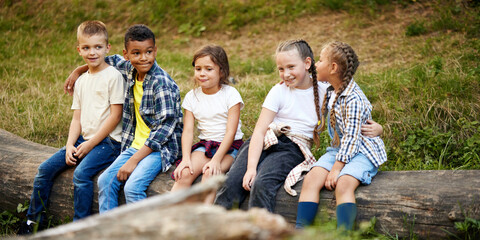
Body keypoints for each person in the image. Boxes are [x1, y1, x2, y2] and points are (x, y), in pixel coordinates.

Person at [19, 20, 124, 234]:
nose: (92, 52)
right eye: (86, 48)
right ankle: (33, 221)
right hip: (82, 140)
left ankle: (80, 229)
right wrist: (69, 145)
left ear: (107, 48)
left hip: (108, 142)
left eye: (98, 47)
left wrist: (90, 144)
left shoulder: (113, 76)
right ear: (79, 50)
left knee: (81, 175)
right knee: (44, 170)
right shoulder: (82, 81)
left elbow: (115, 117)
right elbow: (76, 118)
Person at [64, 24, 182, 213]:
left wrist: (133, 161)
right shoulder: (128, 69)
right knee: (105, 181)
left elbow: (163, 131)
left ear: (155, 51)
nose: (143, 58)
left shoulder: (162, 84)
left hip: (160, 148)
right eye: (136, 53)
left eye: (148, 52)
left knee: (132, 188)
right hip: (134, 144)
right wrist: (78, 70)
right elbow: (104, 59)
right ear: (126, 55)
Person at [295, 41, 387, 230]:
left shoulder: (353, 99)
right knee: (311, 179)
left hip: (362, 151)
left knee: (343, 184)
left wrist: (336, 168)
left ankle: (344, 234)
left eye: (320, 60)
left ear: (333, 68)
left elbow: (352, 140)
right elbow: (306, 82)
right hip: (339, 149)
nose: (316, 65)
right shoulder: (331, 89)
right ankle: (301, 231)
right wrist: (287, 80)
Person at [170, 45, 244, 204]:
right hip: (206, 145)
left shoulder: (230, 95)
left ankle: (202, 218)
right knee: (184, 173)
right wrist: (186, 158)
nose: (202, 73)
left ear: (221, 71)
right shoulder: (192, 97)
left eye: (208, 69)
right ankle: (168, 217)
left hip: (230, 146)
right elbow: (188, 131)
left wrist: (216, 160)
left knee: (210, 174)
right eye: (198, 68)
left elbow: (230, 132)